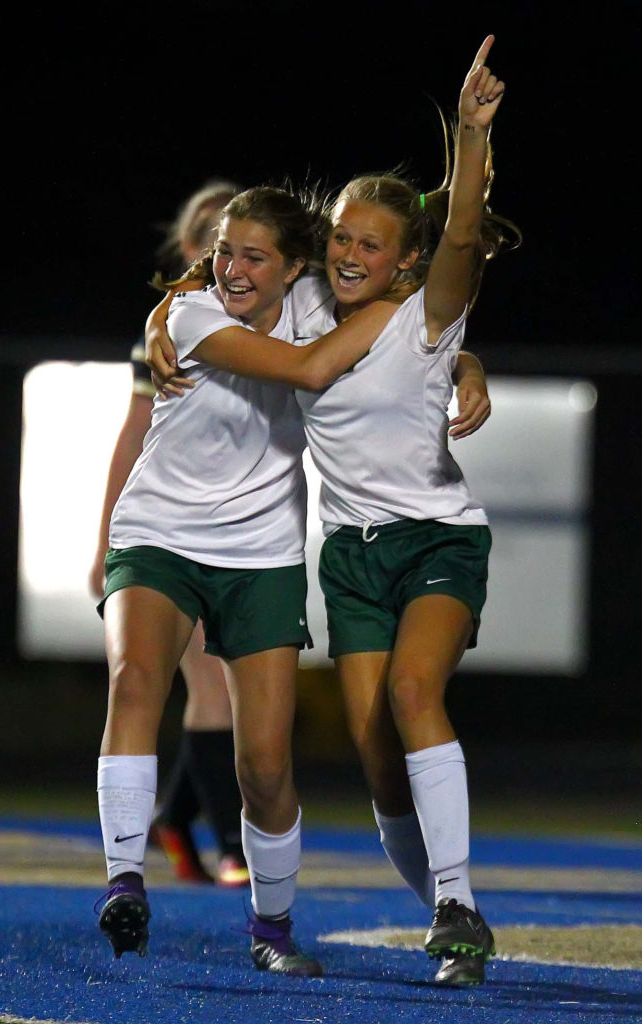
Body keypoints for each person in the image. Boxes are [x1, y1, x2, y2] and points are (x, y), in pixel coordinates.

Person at [146, 37, 517, 987]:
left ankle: (458, 903)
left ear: (406, 259)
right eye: (342, 238)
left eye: (370, 245)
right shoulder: (310, 298)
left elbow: (465, 232)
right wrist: (162, 316)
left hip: (438, 539)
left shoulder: (428, 310)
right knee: (372, 756)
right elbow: (229, 274)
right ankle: (443, 901)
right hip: (349, 556)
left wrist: (471, 142)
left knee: (410, 695)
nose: (349, 254)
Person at [95, 184, 407, 976]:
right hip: (158, 532)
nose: (231, 268)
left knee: (265, 764)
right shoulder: (196, 312)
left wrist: (462, 359)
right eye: (223, 251)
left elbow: (421, 328)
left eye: (253, 256)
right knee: (136, 681)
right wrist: (162, 310)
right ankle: (125, 882)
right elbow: (305, 372)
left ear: (295, 265)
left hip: (261, 552)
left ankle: (272, 928)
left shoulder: (317, 299)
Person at [89, 180, 250, 888]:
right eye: (215, 234)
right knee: (212, 689)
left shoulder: (265, 330)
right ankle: (230, 848)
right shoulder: (170, 330)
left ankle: (176, 820)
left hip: (236, 536)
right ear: (190, 248)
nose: (232, 252)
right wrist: (105, 544)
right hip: (169, 534)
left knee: (233, 692)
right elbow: (132, 438)